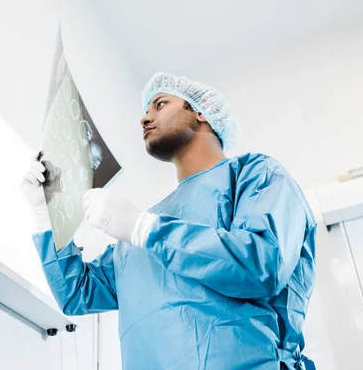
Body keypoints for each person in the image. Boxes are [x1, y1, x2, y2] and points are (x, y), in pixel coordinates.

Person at [21, 73, 317, 370]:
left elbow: (262, 264)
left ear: (202, 112)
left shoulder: (255, 174)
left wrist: (144, 229)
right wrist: (44, 215)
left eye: (159, 104)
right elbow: (77, 293)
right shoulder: (136, 235)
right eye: (145, 110)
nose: (144, 118)